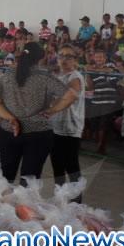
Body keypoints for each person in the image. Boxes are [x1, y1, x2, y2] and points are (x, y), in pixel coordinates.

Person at [0, 42, 77, 185]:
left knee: (6, 177)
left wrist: (11, 118)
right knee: (30, 180)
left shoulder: (6, 76)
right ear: (41, 58)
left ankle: (5, 205)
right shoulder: (45, 77)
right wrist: (51, 110)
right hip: (39, 133)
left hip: (9, 131)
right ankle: (25, 206)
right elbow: (71, 95)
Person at [50, 44, 85, 203]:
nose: (64, 59)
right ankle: (61, 199)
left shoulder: (75, 77)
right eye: (61, 56)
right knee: (57, 167)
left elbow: (68, 97)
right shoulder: (57, 76)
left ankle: (76, 203)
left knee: (72, 167)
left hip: (70, 129)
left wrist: (50, 110)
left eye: (69, 56)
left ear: (75, 60)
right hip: (55, 127)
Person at [84, 49, 122, 154]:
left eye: (101, 57)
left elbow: (109, 71)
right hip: (96, 100)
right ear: (94, 58)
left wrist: (92, 70)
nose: (99, 59)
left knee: (104, 125)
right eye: (97, 57)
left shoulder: (110, 66)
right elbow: (91, 87)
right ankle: (100, 145)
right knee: (95, 123)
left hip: (108, 101)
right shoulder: (92, 71)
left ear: (105, 58)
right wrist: (87, 74)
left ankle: (101, 147)